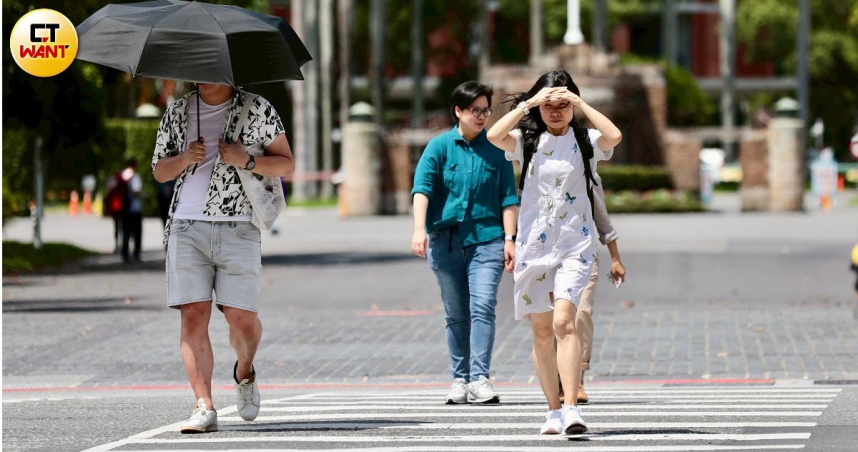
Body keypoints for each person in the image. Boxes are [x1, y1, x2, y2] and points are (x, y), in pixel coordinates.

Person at [152, 83, 294, 433]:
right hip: (187, 226)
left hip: (239, 227)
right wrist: (185, 157)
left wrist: (245, 159)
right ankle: (204, 406)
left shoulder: (257, 108)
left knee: (242, 319)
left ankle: (244, 370)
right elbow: (159, 170)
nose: (205, 75)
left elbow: (285, 163)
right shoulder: (179, 110)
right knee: (193, 316)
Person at [487, 70, 622, 435]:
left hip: (575, 246)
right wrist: (529, 104)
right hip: (534, 247)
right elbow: (493, 135)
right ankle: (551, 411)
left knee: (565, 321)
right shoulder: (525, 140)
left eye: (564, 104)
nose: (557, 111)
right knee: (543, 332)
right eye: (551, 105)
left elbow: (614, 135)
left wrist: (582, 103)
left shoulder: (585, 139)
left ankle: (571, 407)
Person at [411, 81, 519, 405]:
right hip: (445, 242)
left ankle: (480, 378)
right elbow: (422, 189)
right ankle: (460, 379)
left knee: (483, 305)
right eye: (476, 111)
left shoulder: (498, 149)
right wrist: (419, 229)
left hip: (487, 240)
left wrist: (511, 239)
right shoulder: (439, 147)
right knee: (456, 313)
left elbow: (509, 199)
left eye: (486, 111)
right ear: (458, 111)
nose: (482, 116)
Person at [120, 158, 143, 263]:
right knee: (137, 233)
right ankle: (136, 254)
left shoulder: (122, 175)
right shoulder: (134, 176)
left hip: (124, 208)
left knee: (125, 232)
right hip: (135, 208)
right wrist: (143, 195)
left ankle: (124, 254)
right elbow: (136, 191)